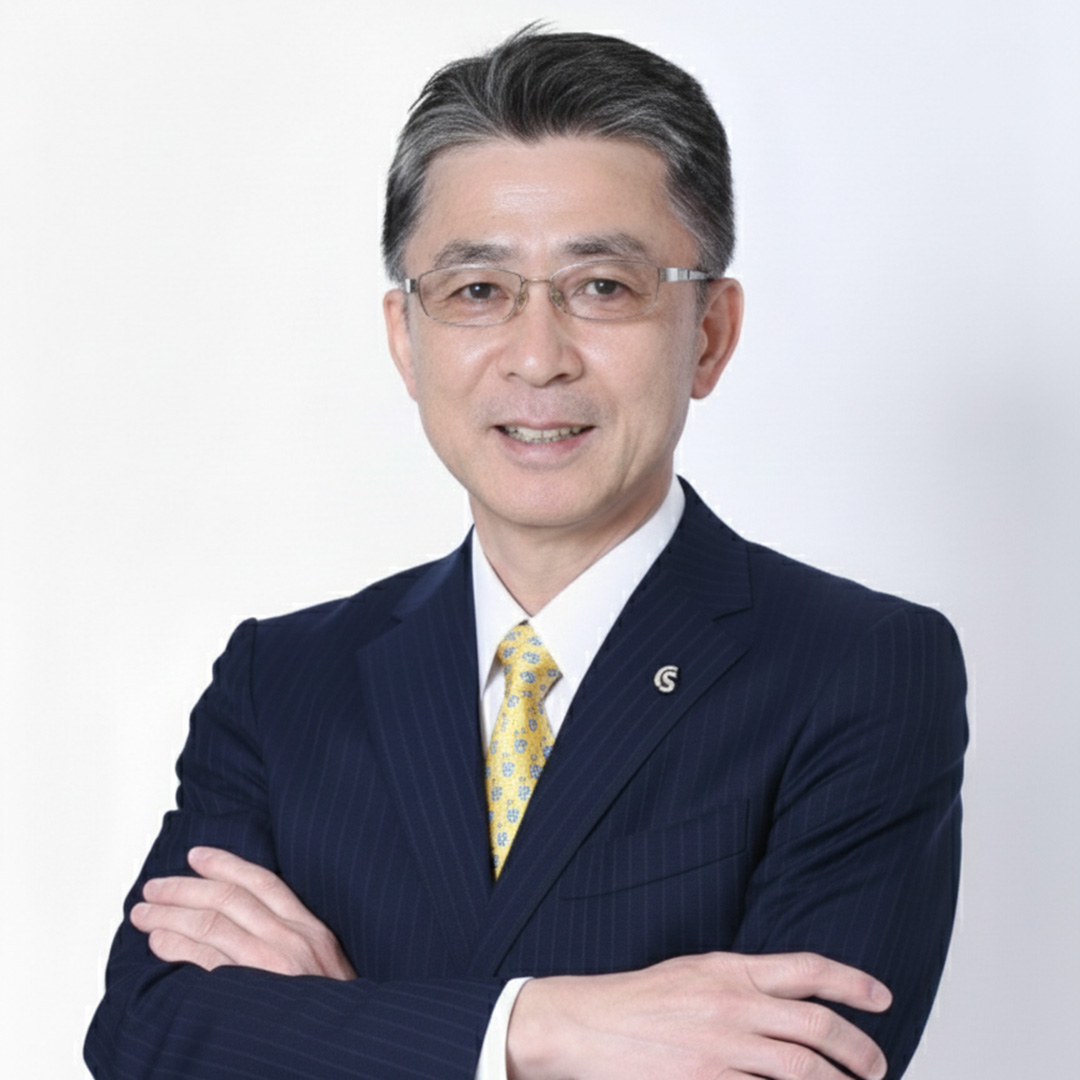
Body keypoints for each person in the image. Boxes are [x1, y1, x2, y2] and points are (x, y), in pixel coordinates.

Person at [85, 26, 967, 1080]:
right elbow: (148, 1036)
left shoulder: (858, 669)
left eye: (603, 287)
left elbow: (795, 1067)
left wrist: (338, 1017)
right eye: (477, 291)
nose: (539, 357)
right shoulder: (283, 683)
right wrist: (536, 1027)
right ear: (406, 340)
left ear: (710, 333)